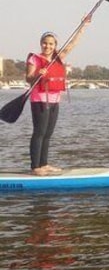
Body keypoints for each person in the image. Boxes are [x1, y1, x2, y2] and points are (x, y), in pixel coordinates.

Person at [26, 16, 91, 176]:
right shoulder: (34, 58)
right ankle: (35, 167)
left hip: (54, 100)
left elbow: (72, 44)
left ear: (55, 45)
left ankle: (44, 164)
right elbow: (28, 78)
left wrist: (83, 26)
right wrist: (37, 75)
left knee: (48, 133)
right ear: (41, 44)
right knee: (39, 132)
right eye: (45, 43)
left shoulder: (58, 57)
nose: (47, 46)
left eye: (51, 44)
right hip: (39, 99)